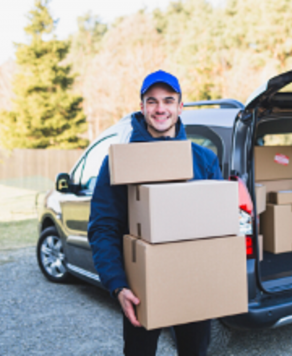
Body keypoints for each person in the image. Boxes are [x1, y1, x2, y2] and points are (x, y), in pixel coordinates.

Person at [88, 70, 222, 356]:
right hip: (140, 287)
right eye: (152, 101)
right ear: (142, 107)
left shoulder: (204, 160)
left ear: (180, 107)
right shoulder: (119, 162)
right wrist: (117, 285)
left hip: (193, 282)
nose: (160, 108)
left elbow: (217, 229)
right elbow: (103, 227)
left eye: (168, 100)